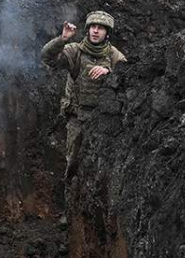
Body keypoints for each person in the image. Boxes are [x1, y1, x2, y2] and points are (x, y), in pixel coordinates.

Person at [41, 11, 126, 218]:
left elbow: (130, 79)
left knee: (103, 170)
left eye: (101, 27)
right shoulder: (74, 51)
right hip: (77, 119)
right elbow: (47, 58)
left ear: (107, 33)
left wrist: (110, 72)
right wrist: (62, 40)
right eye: (92, 27)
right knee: (73, 164)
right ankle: (69, 211)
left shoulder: (115, 56)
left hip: (104, 123)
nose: (95, 30)